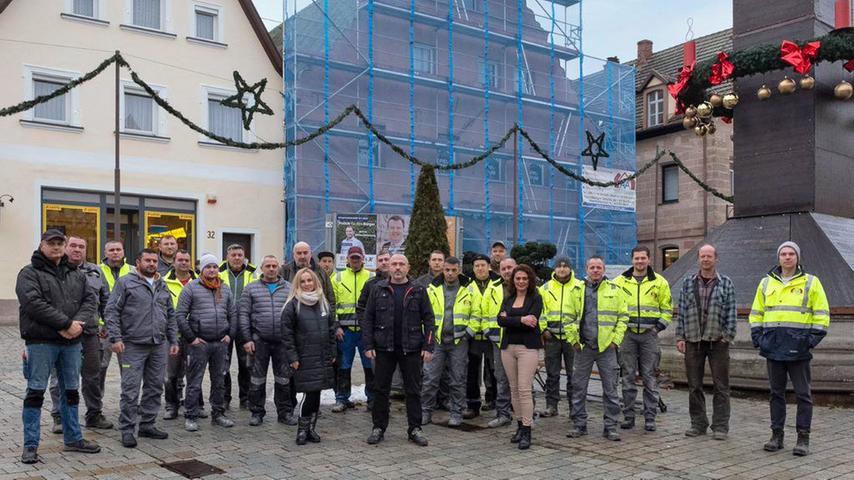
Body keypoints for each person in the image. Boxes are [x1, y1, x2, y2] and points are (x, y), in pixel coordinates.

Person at [17, 229, 100, 464]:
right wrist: (65, 324)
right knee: (35, 392)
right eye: (51, 243)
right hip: (41, 342)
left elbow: (90, 300)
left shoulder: (75, 273)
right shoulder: (29, 273)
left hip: (72, 343)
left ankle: (73, 438)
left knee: (71, 391)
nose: (56, 247)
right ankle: (30, 445)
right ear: (42, 245)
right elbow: (33, 303)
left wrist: (77, 325)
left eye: (59, 243)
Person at [750, 241, 829, 457]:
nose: (787, 257)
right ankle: (777, 435)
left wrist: (809, 341)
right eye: (783, 254)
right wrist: (758, 338)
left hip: (798, 349)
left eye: (791, 253)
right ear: (778, 258)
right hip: (773, 348)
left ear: (797, 257)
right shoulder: (766, 283)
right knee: (776, 394)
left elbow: (822, 314)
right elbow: (756, 312)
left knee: (803, 395)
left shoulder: (811, 283)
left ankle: (803, 438)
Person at [105, 249, 180, 448]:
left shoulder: (161, 283)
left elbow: (170, 314)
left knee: (154, 387)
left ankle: (147, 424)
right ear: (138, 262)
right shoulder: (125, 282)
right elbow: (112, 310)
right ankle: (127, 429)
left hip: (158, 345)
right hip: (132, 345)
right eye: (147, 260)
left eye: (154, 261)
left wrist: (173, 341)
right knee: (130, 390)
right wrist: (115, 337)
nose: (152, 264)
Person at [363, 254, 434, 446]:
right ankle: (378, 427)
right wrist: (368, 344)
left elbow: (429, 319)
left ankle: (415, 428)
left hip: (411, 348)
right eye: (394, 264)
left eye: (401, 264)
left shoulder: (418, 290)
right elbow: (368, 318)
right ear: (389, 268)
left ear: (408, 267)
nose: (397, 267)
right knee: (381, 389)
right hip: (383, 348)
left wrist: (428, 346)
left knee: (413, 390)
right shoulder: (378, 289)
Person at [47, 235, 112, 433]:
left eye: (81, 246)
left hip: (90, 332)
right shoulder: (55, 270)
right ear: (66, 247)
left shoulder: (95, 271)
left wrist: (106, 325)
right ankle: (59, 416)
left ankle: (94, 414)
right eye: (73, 245)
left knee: (93, 374)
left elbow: (106, 300)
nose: (77, 249)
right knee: (60, 376)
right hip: (62, 333)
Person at [675, 244, 737, 441]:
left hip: (717, 341)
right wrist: (680, 336)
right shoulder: (687, 283)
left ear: (715, 258)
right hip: (693, 340)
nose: (706, 259)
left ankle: (720, 426)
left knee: (721, 386)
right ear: (698, 259)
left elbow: (731, 312)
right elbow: (682, 312)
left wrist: (727, 336)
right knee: (694, 386)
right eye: (702, 256)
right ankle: (698, 424)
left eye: (709, 256)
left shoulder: (725, 283)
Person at [566, 256, 628, 442]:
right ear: (586, 269)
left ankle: (610, 427)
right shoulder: (576, 290)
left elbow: (623, 317)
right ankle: (579, 425)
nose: (595, 270)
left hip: (607, 348)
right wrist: (574, 341)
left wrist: (615, 341)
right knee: (579, 388)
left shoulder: (615, 290)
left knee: (610, 389)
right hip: (583, 347)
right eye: (592, 267)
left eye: (598, 267)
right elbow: (567, 317)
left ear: (603, 269)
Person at [176, 253, 238, 432]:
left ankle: (218, 414)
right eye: (208, 267)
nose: (212, 270)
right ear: (200, 269)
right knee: (195, 381)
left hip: (220, 343)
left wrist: (230, 335)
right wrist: (191, 338)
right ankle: (191, 415)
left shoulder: (224, 289)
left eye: (215, 267)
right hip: (198, 344)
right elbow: (180, 315)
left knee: (219, 380)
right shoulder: (191, 288)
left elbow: (232, 313)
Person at [614, 245, 672, 432]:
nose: (639, 261)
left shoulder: (660, 282)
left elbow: (667, 309)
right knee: (628, 377)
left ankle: (650, 417)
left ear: (649, 260)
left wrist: (657, 328)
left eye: (643, 258)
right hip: (627, 336)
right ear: (632, 260)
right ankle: (629, 416)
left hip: (649, 336)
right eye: (636, 258)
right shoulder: (620, 282)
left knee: (650, 378)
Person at [281, 268, 337, 445]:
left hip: (322, 356)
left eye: (309, 280)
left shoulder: (323, 302)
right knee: (308, 394)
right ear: (298, 284)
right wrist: (293, 358)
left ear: (315, 282)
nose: (307, 284)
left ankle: (311, 428)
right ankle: (302, 430)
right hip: (304, 357)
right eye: (303, 281)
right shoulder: (292, 305)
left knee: (317, 393)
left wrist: (332, 353)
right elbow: (287, 335)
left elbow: (331, 330)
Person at [421, 257, 478, 427]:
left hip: (459, 341)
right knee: (430, 378)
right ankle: (425, 412)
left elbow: (476, 314)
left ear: (459, 270)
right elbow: (425, 313)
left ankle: (456, 413)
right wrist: (427, 336)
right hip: (436, 341)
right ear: (443, 270)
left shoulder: (469, 289)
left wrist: (467, 334)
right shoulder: (432, 288)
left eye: (454, 270)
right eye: (447, 270)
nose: (450, 273)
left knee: (457, 379)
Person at [240, 255, 293, 426]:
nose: (271, 268)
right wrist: (247, 339)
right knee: (257, 379)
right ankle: (256, 412)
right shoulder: (250, 288)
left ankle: (284, 413)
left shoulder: (289, 288)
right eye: (268, 265)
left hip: (282, 342)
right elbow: (244, 315)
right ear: (261, 268)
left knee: (284, 379)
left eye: (274, 265)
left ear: (278, 268)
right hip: (259, 341)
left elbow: (295, 315)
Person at [497, 264, 543, 450]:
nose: (521, 281)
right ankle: (518, 426)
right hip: (508, 348)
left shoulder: (536, 298)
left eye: (524, 278)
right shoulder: (508, 298)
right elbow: (500, 320)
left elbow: (532, 321)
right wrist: (521, 319)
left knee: (524, 389)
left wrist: (512, 320)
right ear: (513, 280)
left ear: (529, 280)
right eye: (518, 278)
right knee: (514, 389)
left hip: (528, 348)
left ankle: (527, 430)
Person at [331, 246, 374, 413]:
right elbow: (331, 304)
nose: (355, 260)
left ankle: (372, 399)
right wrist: (336, 326)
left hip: (365, 331)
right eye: (352, 258)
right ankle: (342, 398)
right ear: (347, 259)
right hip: (345, 331)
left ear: (363, 258)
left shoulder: (372, 277)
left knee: (370, 365)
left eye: (358, 258)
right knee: (344, 365)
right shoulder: (338, 278)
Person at [162, 250, 202, 420]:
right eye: (180, 260)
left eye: (187, 260)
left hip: (194, 335)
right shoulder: (163, 282)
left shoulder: (200, 282)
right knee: (170, 374)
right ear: (174, 262)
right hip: (173, 335)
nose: (184, 263)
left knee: (195, 372)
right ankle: (172, 405)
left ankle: (197, 405)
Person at [538, 256, 579, 418]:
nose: (562, 269)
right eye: (559, 266)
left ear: (570, 268)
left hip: (572, 339)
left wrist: (575, 331)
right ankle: (551, 406)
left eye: (565, 266)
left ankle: (574, 407)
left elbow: (581, 312)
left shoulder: (579, 287)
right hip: (551, 337)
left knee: (573, 374)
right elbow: (539, 311)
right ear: (554, 269)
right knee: (552, 373)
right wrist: (543, 330)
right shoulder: (545, 288)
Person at [219, 244, 256, 411]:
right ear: (227, 256)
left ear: (244, 256)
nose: (236, 258)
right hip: (223, 324)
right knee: (223, 364)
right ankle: (224, 398)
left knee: (246, 363)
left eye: (240, 255)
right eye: (233, 254)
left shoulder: (253, 274)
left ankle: (246, 398)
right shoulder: (218, 273)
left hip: (245, 323)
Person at [482, 257, 517, 428]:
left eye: (510, 267)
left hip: (521, 342)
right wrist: (489, 332)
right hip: (499, 342)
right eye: (504, 268)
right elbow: (484, 312)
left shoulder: (527, 287)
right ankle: (503, 414)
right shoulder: (492, 288)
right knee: (501, 378)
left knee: (524, 380)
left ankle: (524, 414)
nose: (507, 271)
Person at [98, 240, 134, 401]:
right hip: (102, 330)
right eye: (111, 250)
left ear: (123, 252)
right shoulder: (96, 271)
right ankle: (96, 406)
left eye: (118, 249)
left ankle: (130, 402)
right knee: (100, 368)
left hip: (127, 328)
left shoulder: (133, 271)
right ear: (105, 253)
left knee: (128, 368)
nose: (115, 252)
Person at [464, 254, 498, 418]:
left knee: (495, 371)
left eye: (483, 265)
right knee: (472, 372)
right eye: (476, 266)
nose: (480, 268)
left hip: (492, 337)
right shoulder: (467, 285)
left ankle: (495, 402)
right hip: (474, 337)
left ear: (489, 266)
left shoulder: (497, 283)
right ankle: (473, 405)